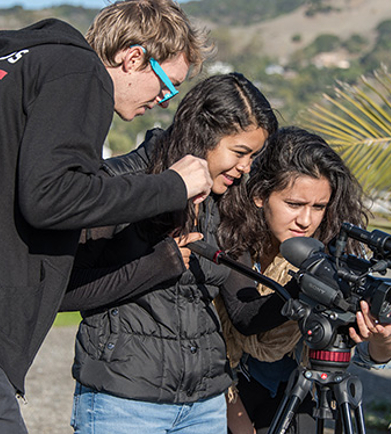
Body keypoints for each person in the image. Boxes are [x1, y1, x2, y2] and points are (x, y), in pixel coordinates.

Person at [0, 1, 213, 433]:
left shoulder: (9, 71)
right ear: (134, 56)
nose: (162, 102)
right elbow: (51, 196)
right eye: (166, 85)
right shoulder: (78, 71)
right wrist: (172, 186)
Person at [64, 72, 278, 434]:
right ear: (203, 135)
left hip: (206, 406)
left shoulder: (229, 204)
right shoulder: (120, 182)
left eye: (253, 157)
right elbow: (65, 290)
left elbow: (244, 312)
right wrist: (155, 266)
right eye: (240, 153)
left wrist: (300, 297)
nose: (245, 170)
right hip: (123, 404)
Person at [215, 127, 391, 433]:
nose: (306, 220)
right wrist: (308, 279)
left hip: (301, 396)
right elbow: (241, 321)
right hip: (227, 399)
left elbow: (375, 353)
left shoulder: (332, 251)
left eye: (318, 207)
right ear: (259, 196)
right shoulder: (231, 239)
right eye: (294, 204)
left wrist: (384, 338)